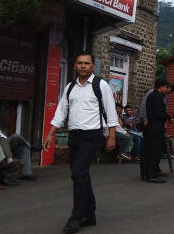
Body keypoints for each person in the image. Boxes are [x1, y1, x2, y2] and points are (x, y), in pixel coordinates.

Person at [43, 51, 118, 234]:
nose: (83, 66)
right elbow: (61, 112)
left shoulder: (101, 85)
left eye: (86, 63)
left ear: (93, 66)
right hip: (74, 136)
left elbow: (110, 110)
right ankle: (90, 213)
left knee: (79, 172)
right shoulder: (70, 87)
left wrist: (112, 136)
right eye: (79, 63)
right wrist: (50, 134)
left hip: (92, 135)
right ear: (75, 65)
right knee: (80, 175)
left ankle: (77, 216)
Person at [142, 81, 171, 183]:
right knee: (155, 151)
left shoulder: (150, 96)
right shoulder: (158, 97)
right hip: (156, 126)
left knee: (147, 151)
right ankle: (152, 174)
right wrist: (169, 118)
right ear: (162, 87)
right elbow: (160, 112)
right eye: (166, 88)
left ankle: (145, 173)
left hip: (149, 126)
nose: (167, 90)